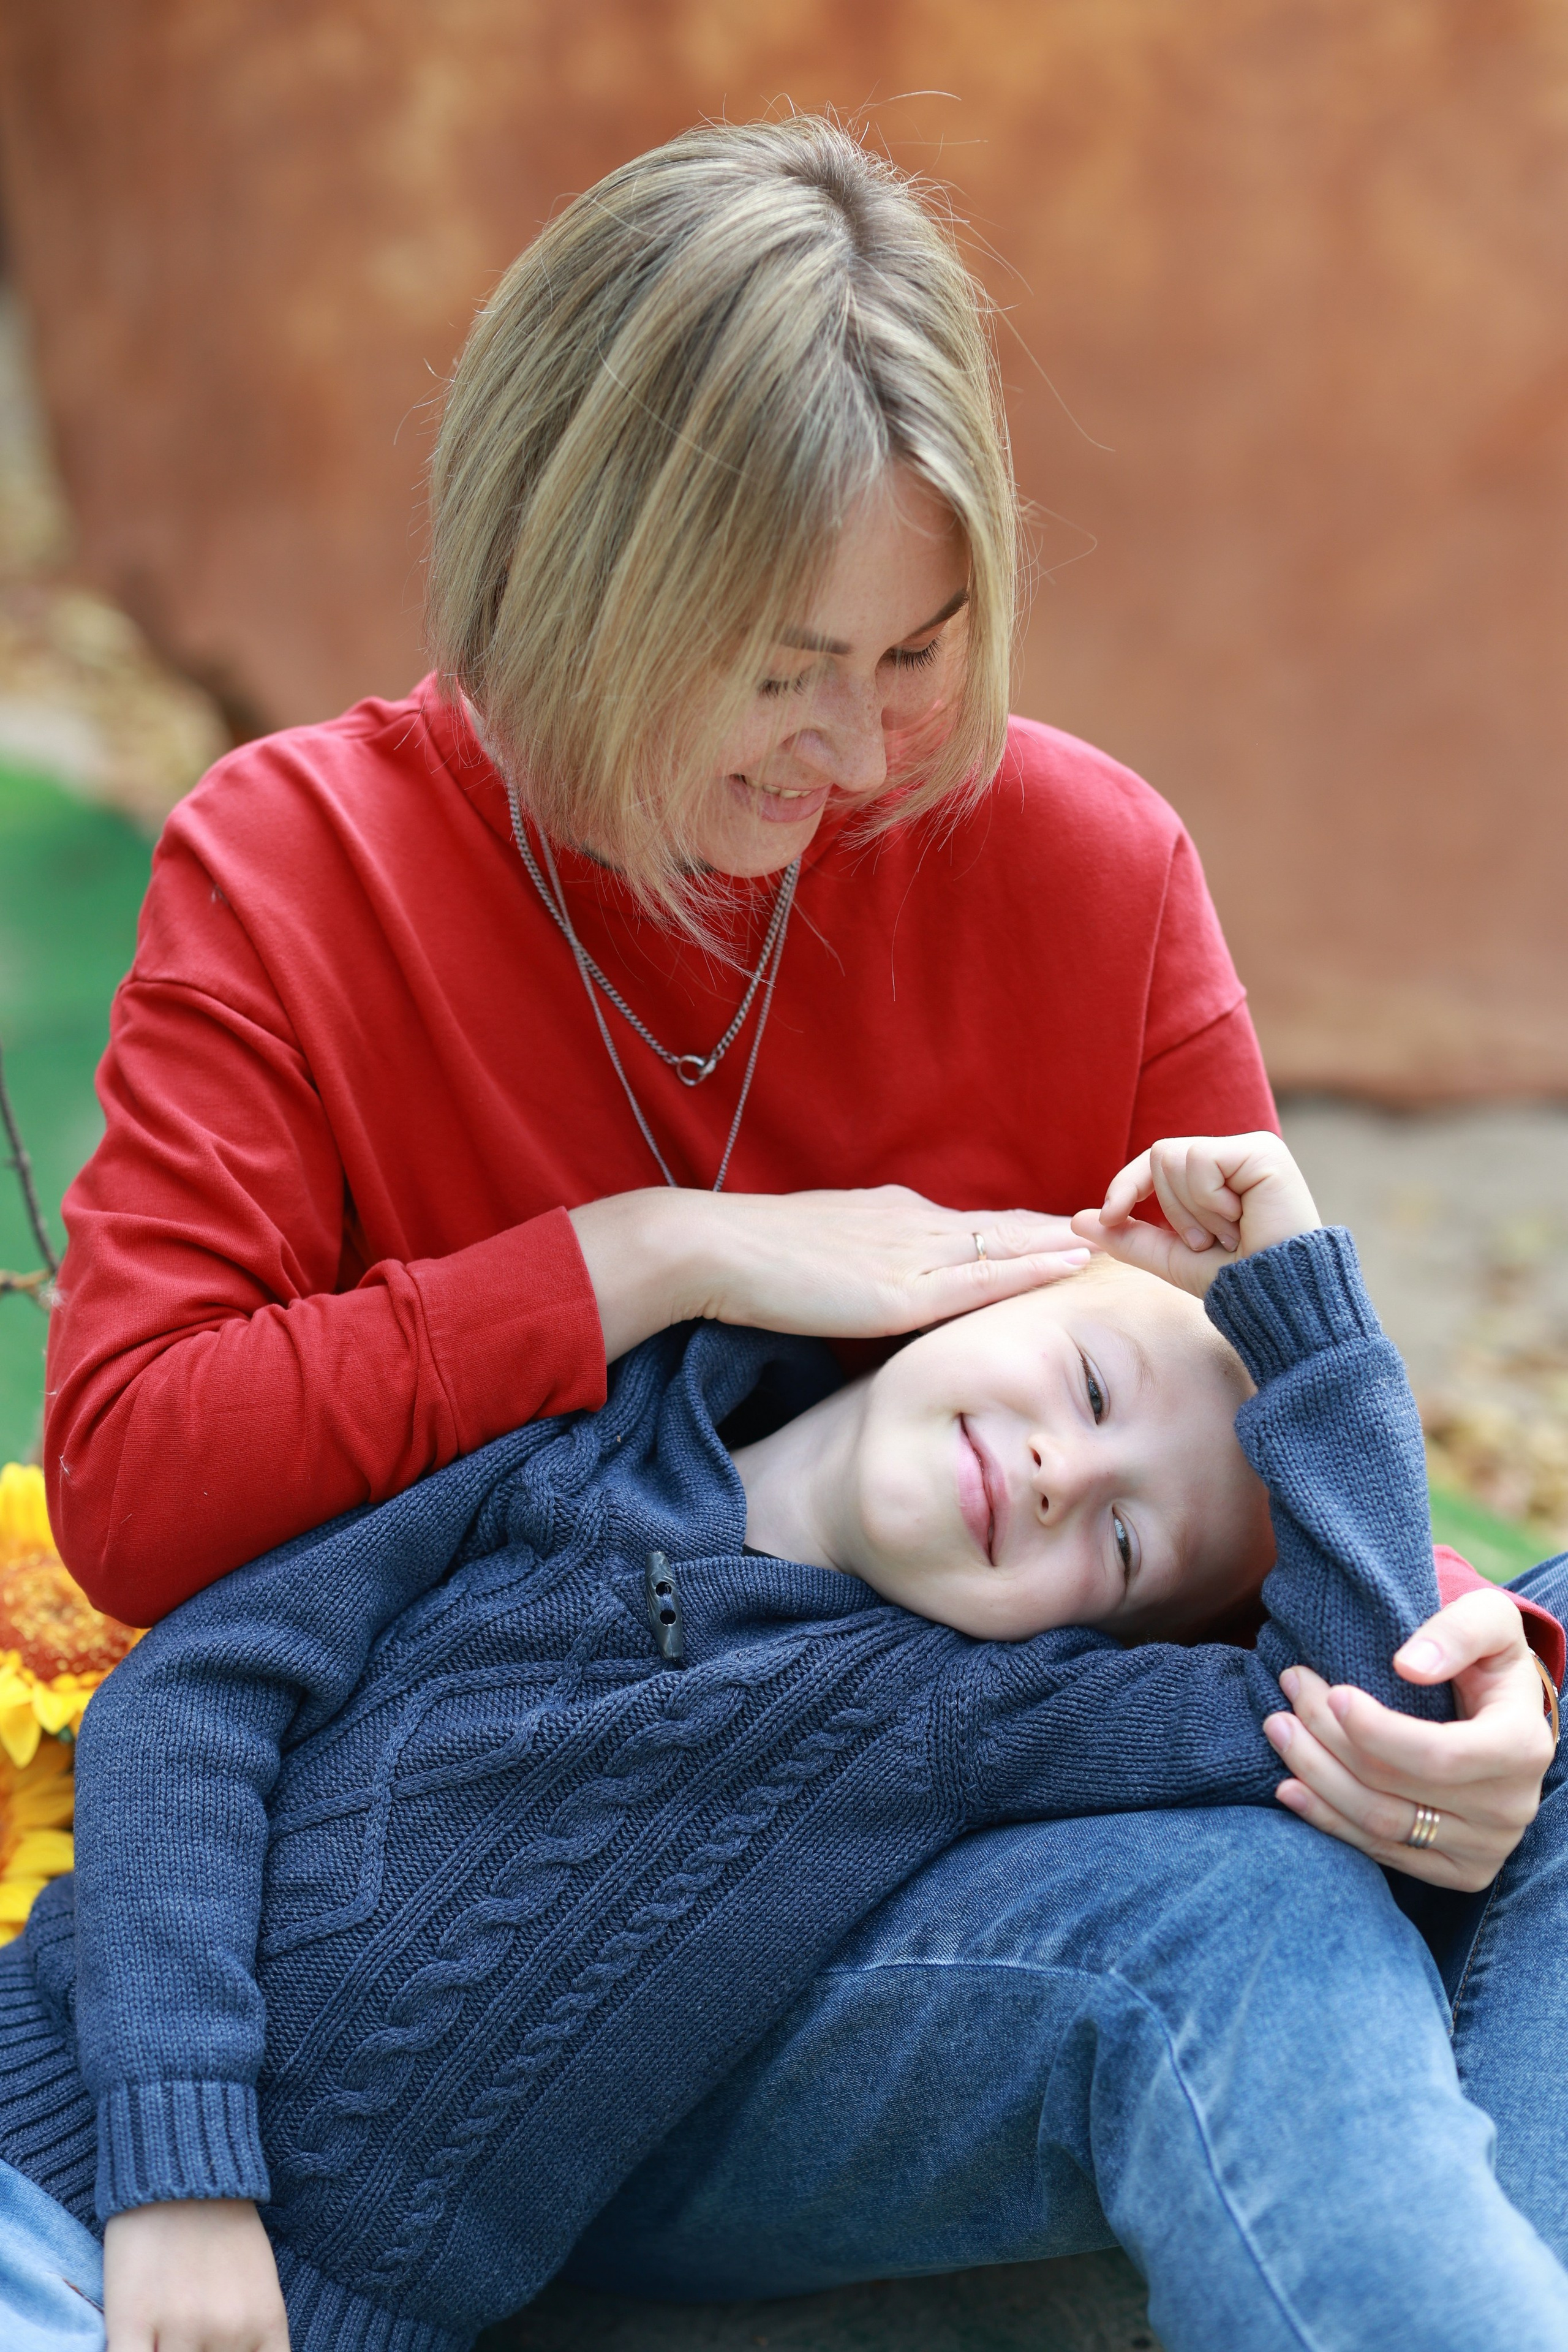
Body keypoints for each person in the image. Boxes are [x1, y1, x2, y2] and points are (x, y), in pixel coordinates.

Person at [31, 114, 1566, 2345]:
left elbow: (1226, 1458)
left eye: (924, 653)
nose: (860, 749)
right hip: (548, 1972)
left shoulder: (1079, 866)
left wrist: (1491, 1687)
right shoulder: (299, 872)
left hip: (981, 1849)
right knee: (1262, 1927)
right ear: (577, 572)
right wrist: (653, 1255)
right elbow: (150, 1495)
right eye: (778, 665)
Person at [2, 1133, 1564, 2352]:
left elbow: (1378, 1706)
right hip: (53, 2121)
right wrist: (180, 2166)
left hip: (324, 2318)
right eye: (1086, 1387)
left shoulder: (970, 1712)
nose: (1050, 1475)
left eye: (1125, 1543)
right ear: (978, 1285)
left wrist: (1305, 1307)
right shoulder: (567, 1445)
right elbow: (192, 1707)